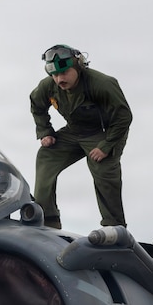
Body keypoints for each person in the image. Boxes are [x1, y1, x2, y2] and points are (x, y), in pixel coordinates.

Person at [30, 45, 132, 229]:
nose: (60, 79)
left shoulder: (102, 83)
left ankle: (114, 228)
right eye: (55, 74)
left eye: (64, 73)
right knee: (46, 156)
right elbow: (37, 105)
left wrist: (106, 146)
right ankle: (48, 220)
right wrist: (45, 131)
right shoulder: (49, 86)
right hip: (74, 131)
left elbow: (123, 117)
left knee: (103, 171)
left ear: (78, 67)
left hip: (105, 132)